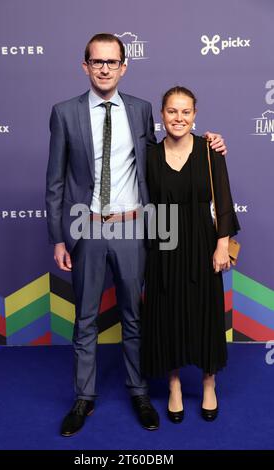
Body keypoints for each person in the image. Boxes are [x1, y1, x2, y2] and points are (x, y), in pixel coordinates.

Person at [46, 34, 227, 436]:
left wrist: (210, 142)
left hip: (133, 226)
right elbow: (55, 180)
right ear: (86, 66)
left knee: (134, 316)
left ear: (124, 67)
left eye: (112, 62)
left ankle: (140, 392)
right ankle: (83, 398)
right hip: (85, 226)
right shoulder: (64, 113)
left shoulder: (142, 110)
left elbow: (166, 153)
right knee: (86, 319)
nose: (105, 68)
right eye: (98, 62)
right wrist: (58, 239)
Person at [141, 86, 240, 423]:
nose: (179, 118)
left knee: (205, 310)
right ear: (162, 115)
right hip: (163, 240)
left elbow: (223, 199)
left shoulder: (211, 150)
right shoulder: (150, 155)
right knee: (167, 311)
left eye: (185, 112)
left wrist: (222, 244)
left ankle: (209, 383)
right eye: (172, 111)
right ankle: (174, 386)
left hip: (202, 239)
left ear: (195, 115)